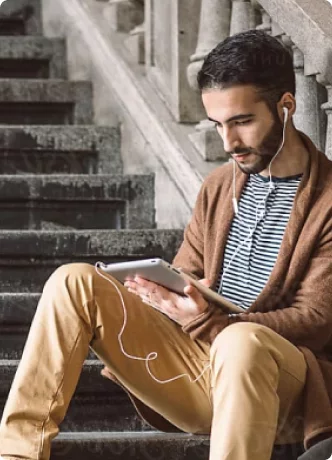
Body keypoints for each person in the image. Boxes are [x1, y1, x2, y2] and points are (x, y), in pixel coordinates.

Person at [1, 29, 332, 460]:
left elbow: (316, 318)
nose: (228, 143)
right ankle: (17, 454)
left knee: (241, 342)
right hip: (192, 369)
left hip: (275, 387)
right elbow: (187, 272)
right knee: (72, 282)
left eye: (242, 122)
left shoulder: (327, 199)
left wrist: (213, 324)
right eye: (217, 125)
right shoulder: (218, 188)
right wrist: (166, 294)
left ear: (287, 106)